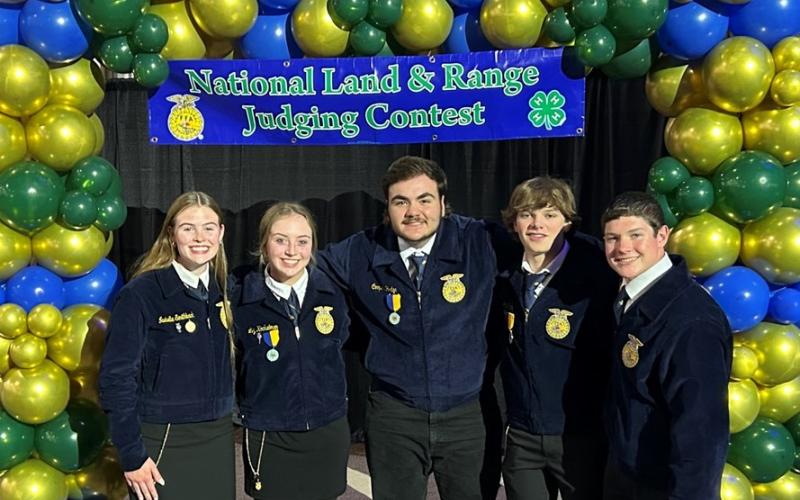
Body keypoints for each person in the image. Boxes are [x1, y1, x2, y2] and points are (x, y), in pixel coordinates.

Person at [318, 155, 510, 500]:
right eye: (400, 201)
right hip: (394, 416)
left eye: (424, 200)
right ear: (387, 208)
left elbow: (542, 254)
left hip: (469, 413)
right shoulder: (362, 250)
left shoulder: (480, 241)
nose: (413, 212)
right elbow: (302, 270)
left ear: (443, 203)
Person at [99, 191, 235, 500]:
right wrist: (132, 454)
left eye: (209, 227)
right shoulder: (141, 294)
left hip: (217, 436)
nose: (200, 237)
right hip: (163, 439)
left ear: (221, 233)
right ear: (171, 234)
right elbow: (116, 378)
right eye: (188, 228)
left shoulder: (225, 289)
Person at [600, 191, 732, 499]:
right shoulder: (630, 296)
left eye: (635, 235)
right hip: (625, 474)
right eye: (612, 238)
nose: (622, 248)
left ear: (662, 235)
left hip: (659, 487)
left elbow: (701, 434)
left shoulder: (691, 322)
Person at [492, 177, 617, 500]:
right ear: (514, 222)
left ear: (567, 222)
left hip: (580, 438)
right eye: (527, 214)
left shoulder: (597, 276)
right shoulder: (503, 275)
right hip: (523, 437)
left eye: (549, 215)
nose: (537, 224)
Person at [230, 202, 351, 500]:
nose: (291, 251)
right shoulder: (239, 298)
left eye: (302, 241)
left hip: (327, 429)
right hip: (269, 435)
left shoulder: (334, 293)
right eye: (280, 240)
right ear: (263, 244)